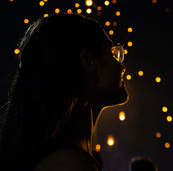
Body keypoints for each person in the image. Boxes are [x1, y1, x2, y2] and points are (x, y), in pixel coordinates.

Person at [0, 12, 129, 170]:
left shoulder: (57, 156)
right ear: (89, 62)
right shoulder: (70, 164)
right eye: (113, 53)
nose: (122, 67)